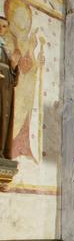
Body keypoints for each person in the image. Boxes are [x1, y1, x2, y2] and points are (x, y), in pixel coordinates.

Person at [0, 15, 18, 159]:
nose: (1, 28)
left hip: (5, 91)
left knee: (4, 119)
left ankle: (1, 151)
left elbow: (14, 81)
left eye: (4, 26)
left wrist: (13, 67)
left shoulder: (6, 49)